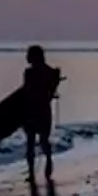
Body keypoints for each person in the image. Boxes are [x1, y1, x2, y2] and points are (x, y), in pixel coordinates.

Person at [21, 44, 62, 183]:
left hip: (31, 111)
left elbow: (26, 93)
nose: (26, 57)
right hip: (44, 110)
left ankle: (32, 174)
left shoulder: (29, 73)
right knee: (44, 140)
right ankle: (49, 162)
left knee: (31, 142)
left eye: (28, 55)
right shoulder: (51, 72)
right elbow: (51, 91)